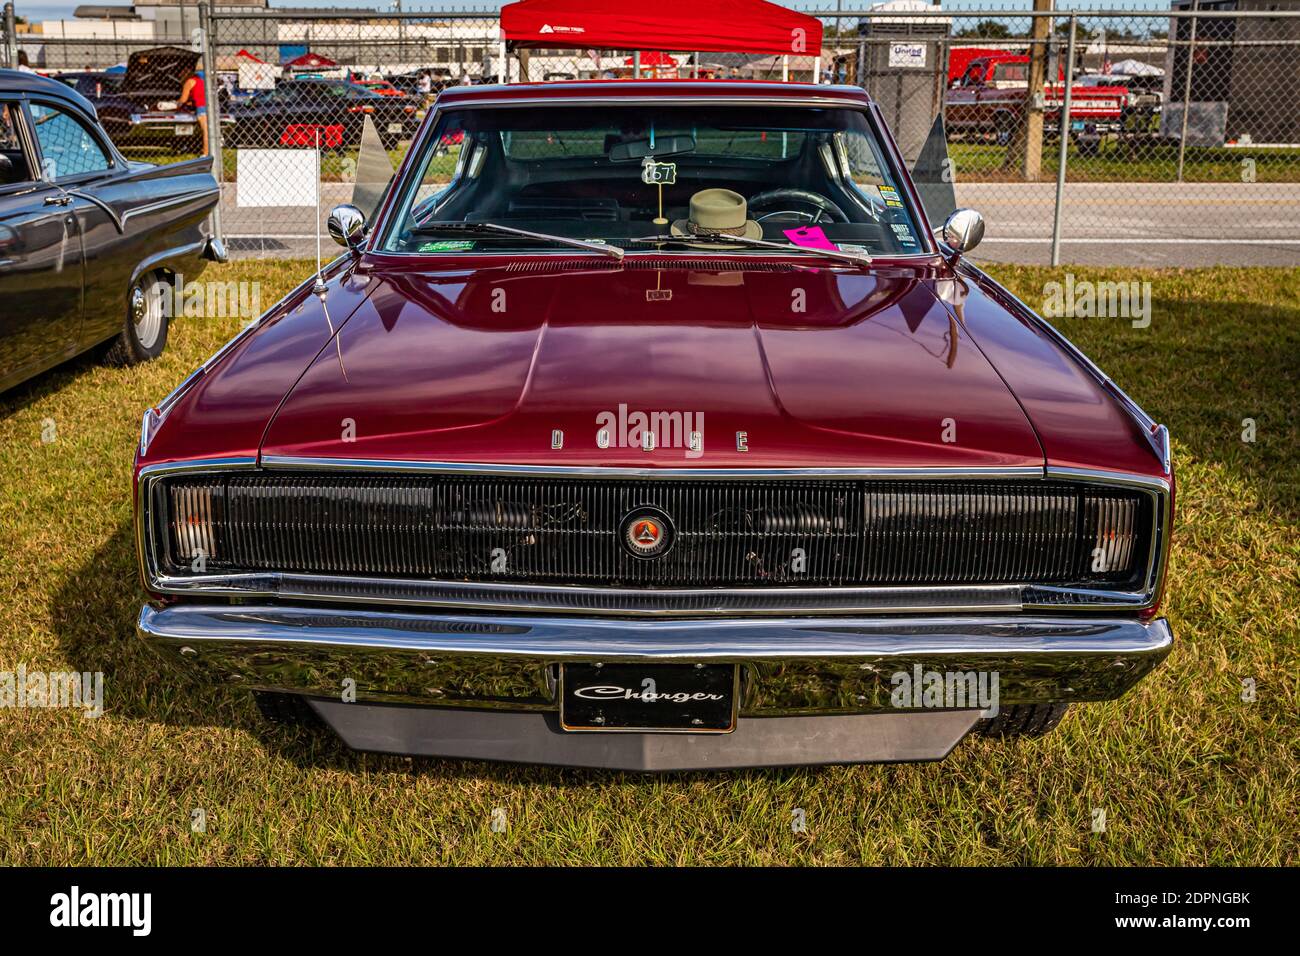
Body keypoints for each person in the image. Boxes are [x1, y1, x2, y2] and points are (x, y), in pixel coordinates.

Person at [178, 68, 208, 155]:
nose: (180, 75)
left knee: (205, 130)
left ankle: (205, 153)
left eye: (182, 73)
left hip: (201, 107)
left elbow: (183, 100)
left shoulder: (189, 82)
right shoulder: (203, 81)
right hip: (210, 106)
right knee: (208, 130)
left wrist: (176, 105)